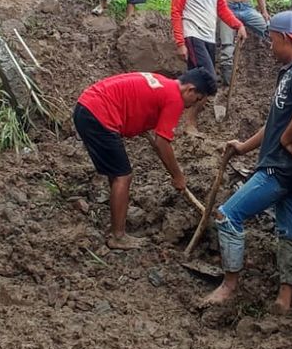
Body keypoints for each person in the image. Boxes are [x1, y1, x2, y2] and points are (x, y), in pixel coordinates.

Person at [199, 11, 292, 313]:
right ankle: (285, 298)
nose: (268, 46)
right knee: (290, 230)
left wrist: (287, 140)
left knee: (228, 215)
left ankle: (229, 286)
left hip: (280, 168)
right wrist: (243, 147)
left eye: (271, 39)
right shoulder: (290, 72)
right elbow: (276, 122)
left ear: (283, 37)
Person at [74, 68, 217, 250]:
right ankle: (118, 237)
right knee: (123, 177)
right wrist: (177, 175)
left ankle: (117, 222)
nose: (191, 106)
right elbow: (162, 143)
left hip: (86, 107)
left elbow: (138, 100)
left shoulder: (162, 82)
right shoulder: (175, 99)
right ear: (190, 89)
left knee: (118, 173)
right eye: (196, 100)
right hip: (100, 115)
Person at [171, 0, 247, 134]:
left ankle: (174, 115)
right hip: (192, 35)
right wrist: (180, 42)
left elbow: (221, 7)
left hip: (208, 37)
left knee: (192, 83)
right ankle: (189, 122)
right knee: (209, 80)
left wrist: (237, 24)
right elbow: (176, 11)